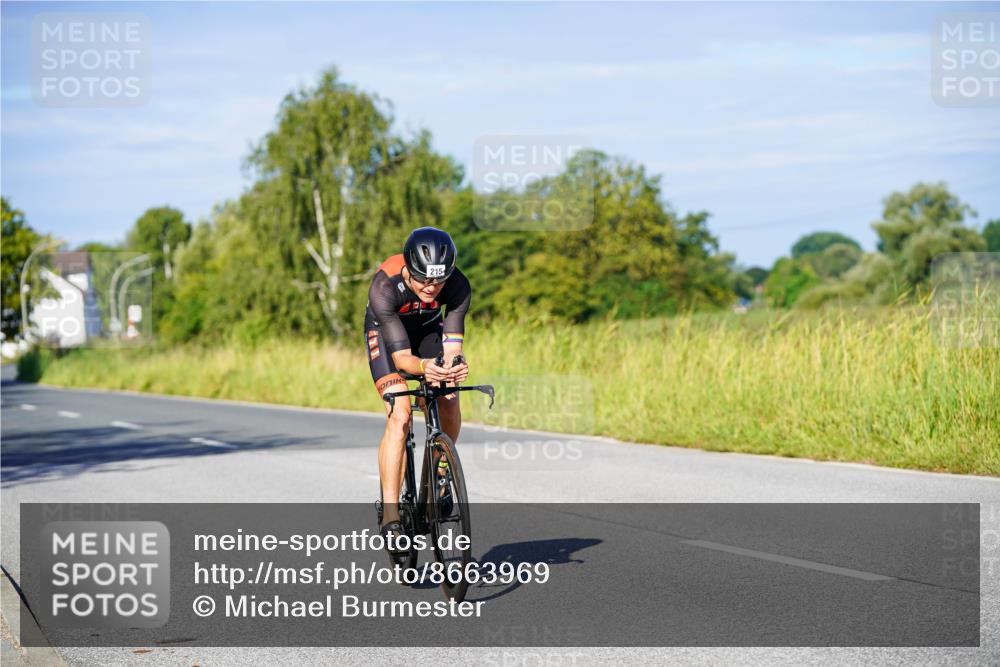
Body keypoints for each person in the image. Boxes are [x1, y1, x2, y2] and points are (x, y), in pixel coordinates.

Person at [363, 227, 471, 549]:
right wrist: (426, 368)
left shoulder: (458, 286)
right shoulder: (385, 286)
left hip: (426, 332)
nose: (431, 287)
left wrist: (453, 366)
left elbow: (451, 346)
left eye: (439, 281)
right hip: (388, 336)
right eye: (424, 279)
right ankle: (391, 515)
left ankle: (439, 474)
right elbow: (402, 358)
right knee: (400, 414)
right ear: (409, 269)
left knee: (449, 399)